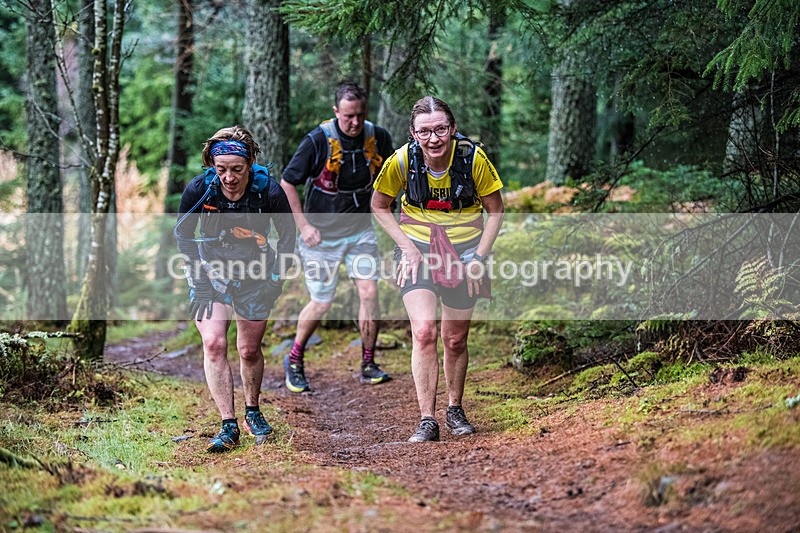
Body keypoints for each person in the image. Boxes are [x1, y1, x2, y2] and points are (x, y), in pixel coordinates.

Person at [371, 96, 505, 442]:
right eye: (425, 131)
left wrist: (479, 257)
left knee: (456, 338)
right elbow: (379, 205)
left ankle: (455, 408)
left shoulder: (473, 159)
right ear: (413, 134)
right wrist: (406, 248)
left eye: (441, 129)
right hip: (417, 249)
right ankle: (427, 419)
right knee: (424, 331)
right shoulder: (401, 160)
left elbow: (496, 210)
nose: (434, 139)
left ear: (453, 129)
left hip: (465, 250)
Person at [175, 125, 296, 453]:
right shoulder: (201, 188)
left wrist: (275, 282)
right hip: (210, 272)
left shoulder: (268, 191)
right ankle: (228, 424)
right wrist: (199, 281)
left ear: (250, 162)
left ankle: (252, 410)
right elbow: (183, 235)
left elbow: (287, 238)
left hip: (256, 272)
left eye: (237, 170)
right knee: (214, 343)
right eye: (221, 169)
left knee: (248, 350)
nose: (229, 177)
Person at [280, 82, 394, 392]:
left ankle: (368, 362)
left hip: (360, 232)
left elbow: (392, 181)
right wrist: (303, 226)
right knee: (321, 302)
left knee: (369, 293)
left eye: (359, 115)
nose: (355, 123)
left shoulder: (378, 137)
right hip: (320, 238)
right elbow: (288, 183)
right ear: (336, 112)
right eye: (348, 117)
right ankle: (294, 358)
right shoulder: (318, 140)